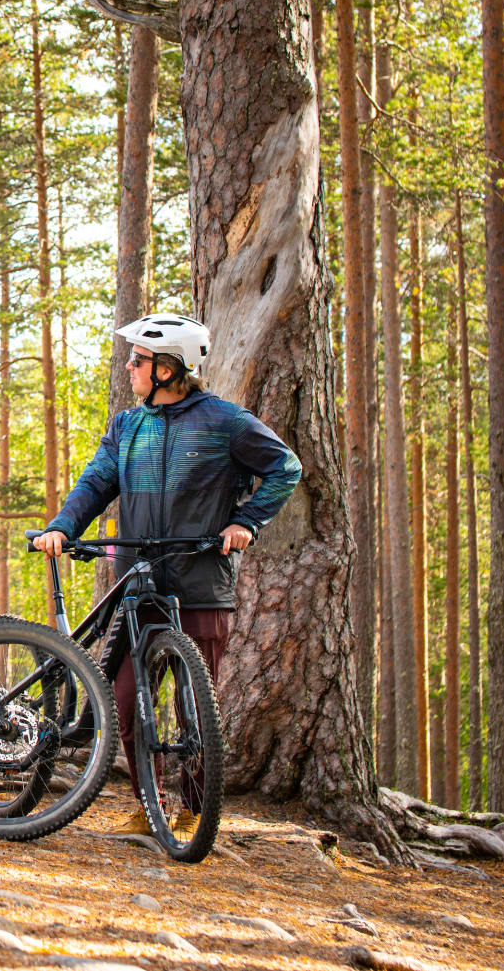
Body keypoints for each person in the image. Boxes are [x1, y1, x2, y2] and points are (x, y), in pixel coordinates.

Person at [32, 313, 301, 836]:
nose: (129, 367)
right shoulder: (127, 426)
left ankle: (196, 812)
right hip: (139, 588)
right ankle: (147, 805)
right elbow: (95, 482)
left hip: (200, 584)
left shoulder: (227, 422)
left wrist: (245, 521)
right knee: (129, 703)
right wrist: (63, 526)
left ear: (169, 368)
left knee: (195, 709)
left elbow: (284, 468)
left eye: (139, 360)